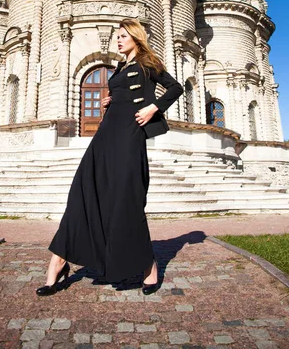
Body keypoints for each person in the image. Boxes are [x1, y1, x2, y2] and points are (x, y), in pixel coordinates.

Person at [36, 18, 183, 296]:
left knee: (126, 199)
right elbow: (124, 93)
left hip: (129, 136)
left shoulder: (148, 62)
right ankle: (59, 260)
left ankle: (148, 265)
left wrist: (153, 108)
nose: (118, 40)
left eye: (124, 36)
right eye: (117, 36)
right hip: (105, 136)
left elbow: (176, 87)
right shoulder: (120, 66)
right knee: (82, 192)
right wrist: (111, 100)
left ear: (136, 39)